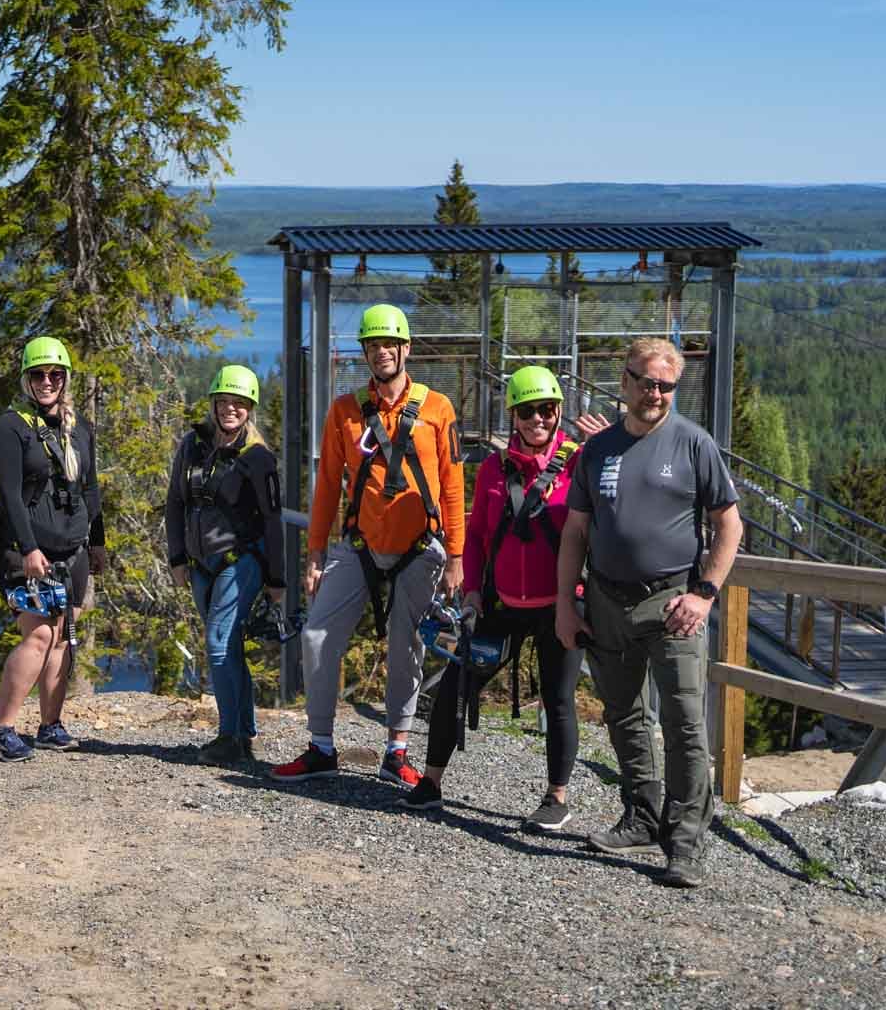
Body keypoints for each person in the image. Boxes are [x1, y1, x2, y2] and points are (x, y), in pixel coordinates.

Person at [555, 337, 743, 889]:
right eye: (645, 381)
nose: (655, 393)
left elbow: (729, 525)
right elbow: (575, 533)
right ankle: (641, 815)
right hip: (607, 599)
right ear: (625, 381)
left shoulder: (693, 444)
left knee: (685, 723)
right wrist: (567, 604)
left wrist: (706, 593)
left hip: (674, 601)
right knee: (624, 715)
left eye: (665, 385)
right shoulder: (598, 450)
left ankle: (685, 842)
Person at [269, 304, 465, 786]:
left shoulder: (437, 409)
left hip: (421, 547)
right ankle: (320, 746)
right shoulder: (346, 411)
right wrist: (315, 554)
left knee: (407, 648)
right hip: (358, 545)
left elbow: (454, 485)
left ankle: (396, 751)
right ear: (366, 352)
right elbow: (327, 487)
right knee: (317, 636)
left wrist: (458, 557)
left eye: (389, 345)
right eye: (373, 346)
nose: (382, 353)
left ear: (405, 349)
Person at [402, 366, 583, 829]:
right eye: (527, 411)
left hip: (557, 605)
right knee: (455, 687)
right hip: (501, 605)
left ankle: (556, 797)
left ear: (558, 412)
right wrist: (475, 592)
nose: (537, 420)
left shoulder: (578, 464)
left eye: (545, 410)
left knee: (559, 700)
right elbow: (479, 535)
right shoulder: (494, 471)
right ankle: (431, 782)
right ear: (514, 417)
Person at [0, 337, 105, 761]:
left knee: (62, 638)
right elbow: (11, 495)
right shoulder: (10, 427)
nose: (47, 382)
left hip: (72, 551)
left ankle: (50, 725)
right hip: (25, 552)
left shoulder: (78, 428)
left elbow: (89, 488)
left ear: (66, 379)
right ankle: (2, 726)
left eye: (55, 375)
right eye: (38, 375)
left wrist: (98, 542)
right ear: (26, 379)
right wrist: (30, 548)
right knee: (38, 635)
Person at [165, 364, 285, 766]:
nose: (231, 410)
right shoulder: (193, 445)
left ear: (249, 408)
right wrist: (178, 556)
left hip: (240, 561)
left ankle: (228, 736)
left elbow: (272, 520)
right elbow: (176, 502)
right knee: (229, 648)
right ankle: (243, 734)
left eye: (239, 403)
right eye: (224, 402)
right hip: (201, 565)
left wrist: (276, 579)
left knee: (218, 647)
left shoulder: (258, 458)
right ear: (214, 404)